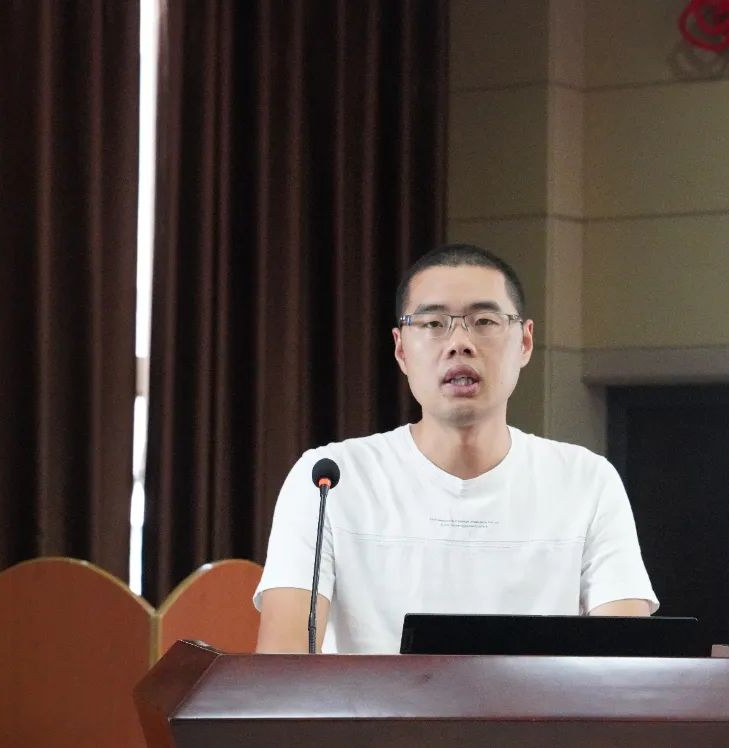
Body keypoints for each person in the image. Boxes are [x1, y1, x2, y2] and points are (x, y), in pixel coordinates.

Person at [254, 244, 657, 653]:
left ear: (525, 342)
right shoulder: (328, 480)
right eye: (433, 323)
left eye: (484, 321)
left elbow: (627, 664)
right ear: (400, 349)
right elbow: (281, 665)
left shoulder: (586, 481)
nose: (459, 343)